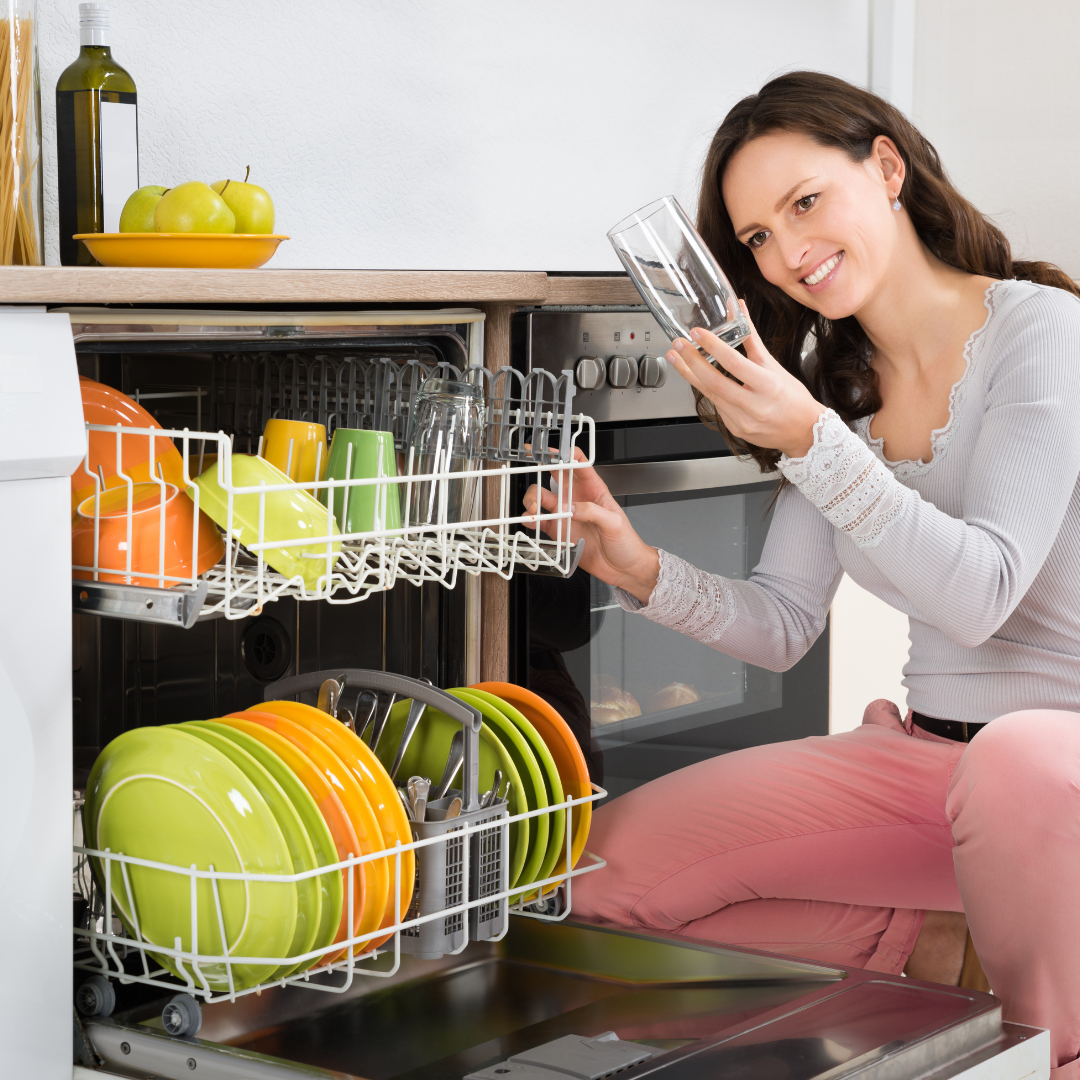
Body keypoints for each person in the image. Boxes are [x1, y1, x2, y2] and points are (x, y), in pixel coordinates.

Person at [524, 71, 1080, 1075]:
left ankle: (1045, 1054)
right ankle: (933, 953)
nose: (788, 253)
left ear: (887, 166)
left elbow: (983, 591)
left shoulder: (1042, 333)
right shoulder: (842, 396)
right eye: (757, 240)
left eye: (803, 204)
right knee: (598, 881)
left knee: (1013, 764)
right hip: (928, 766)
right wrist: (636, 565)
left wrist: (814, 444)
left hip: (1056, 777)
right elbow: (782, 623)